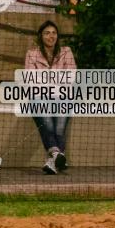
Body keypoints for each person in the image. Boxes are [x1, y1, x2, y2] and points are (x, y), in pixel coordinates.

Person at [25, 20, 77, 174]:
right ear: (41, 36)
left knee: (59, 129)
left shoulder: (66, 51)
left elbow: (71, 77)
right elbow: (30, 79)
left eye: (54, 33)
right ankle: (57, 154)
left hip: (63, 96)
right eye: (47, 33)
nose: (51, 36)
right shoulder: (32, 54)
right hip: (39, 96)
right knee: (46, 121)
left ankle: (53, 160)